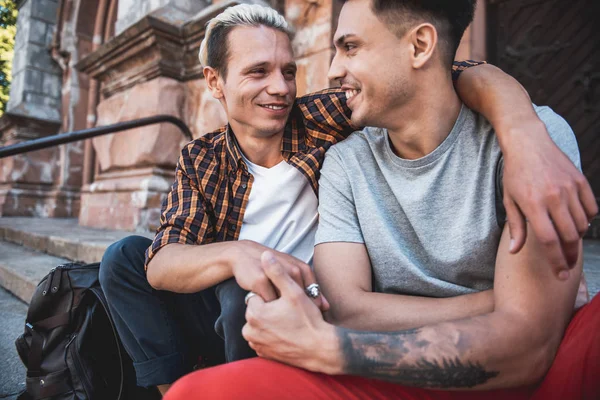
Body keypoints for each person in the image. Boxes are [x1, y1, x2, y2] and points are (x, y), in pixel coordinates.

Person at [100, 3, 598, 398]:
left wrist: (523, 130)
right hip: (279, 299)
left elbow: (447, 72)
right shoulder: (207, 157)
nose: (281, 87)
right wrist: (237, 252)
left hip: (301, 297)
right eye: (257, 73)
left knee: (243, 298)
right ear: (215, 83)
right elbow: (161, 260)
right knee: (125, 259)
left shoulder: (321, 120)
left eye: (288, 71)